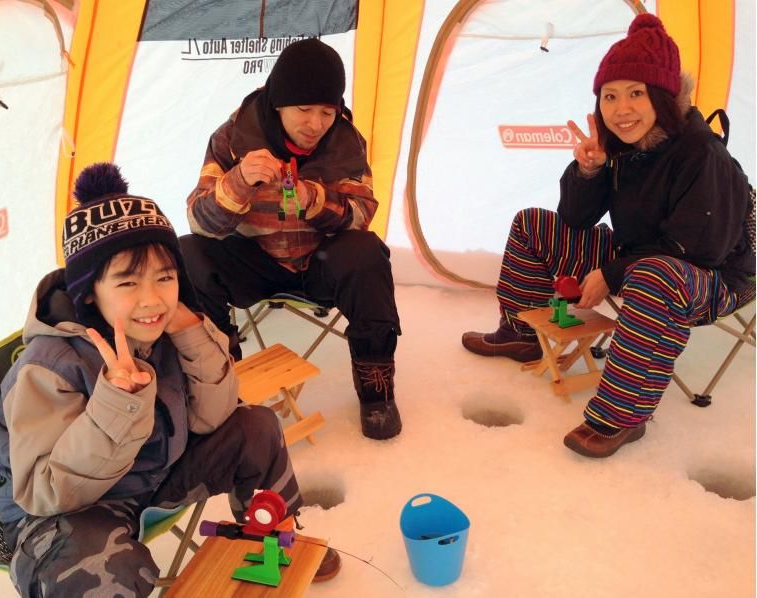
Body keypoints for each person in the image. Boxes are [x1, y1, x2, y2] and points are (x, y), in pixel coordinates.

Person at [0, 163, 341, 597]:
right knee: (101, 565)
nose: (151, 298)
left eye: (165, 277)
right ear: (89, 292)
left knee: (256, 427)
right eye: (128, 282)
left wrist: (192, 334)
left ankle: (275, 535)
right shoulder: (49, 366)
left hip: (152, 476)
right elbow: (46, 494)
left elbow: (213, 419)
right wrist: (117, 400)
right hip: (68, 514)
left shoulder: (164, 332)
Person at [461, 14, 754, 458]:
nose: (621, 109)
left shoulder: (701, 152)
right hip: (641, 256)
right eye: (610, 96)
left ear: (665, 96)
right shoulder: (622, 147)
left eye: (636, 93)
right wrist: (590, 169)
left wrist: (614, 273)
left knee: (656, 276)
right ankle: (521, 333)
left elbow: (700, 249)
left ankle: (622, 415)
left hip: (715, 277)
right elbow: (575, 219)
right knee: (532, 224)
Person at [180, 38, 402, 440]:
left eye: (327, 111)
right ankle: (220, 378)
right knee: (188, 252)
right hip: (256, 261)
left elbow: (361, 213)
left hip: (319, 265)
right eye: (304, 109)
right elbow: (201, 221)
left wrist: (314, 200)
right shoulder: (233, 138)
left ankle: (376, 386)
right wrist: (239, 181)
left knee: (366, 252)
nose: (315, 123)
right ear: (278, 101)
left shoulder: (346, 141)